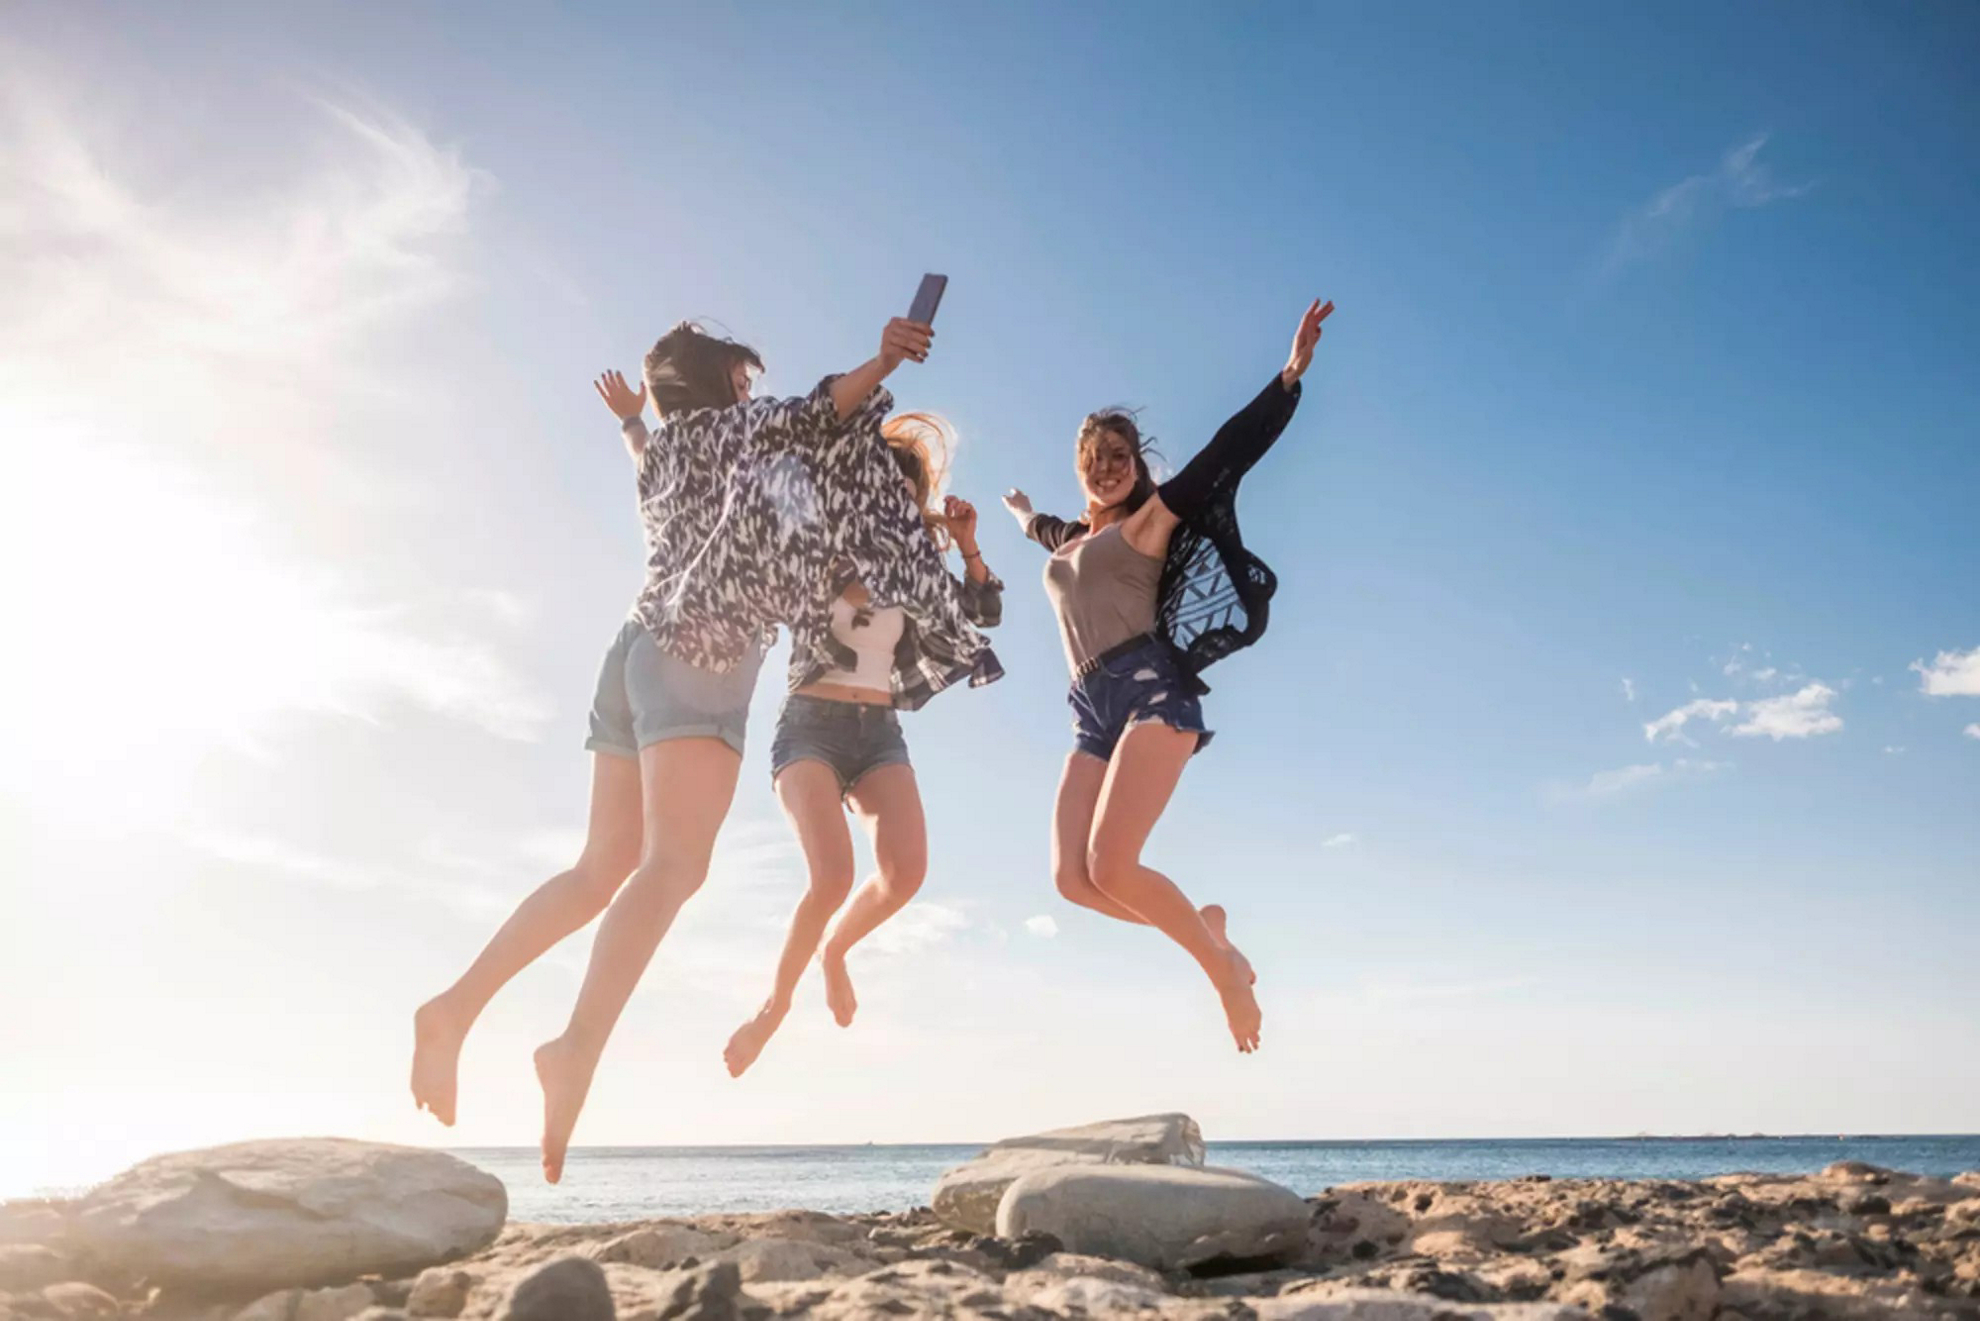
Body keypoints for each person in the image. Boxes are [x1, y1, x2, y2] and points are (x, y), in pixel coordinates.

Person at [412, 314, 995, 1181]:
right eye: (745, 382)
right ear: (728, 384)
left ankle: (454, 1007)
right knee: (674, 867)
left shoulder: (666, 456)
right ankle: (572, 1050)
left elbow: (644, 450)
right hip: (701, 655)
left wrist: (629, 419)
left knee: (598, 868)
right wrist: (882, 358)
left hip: (633, 652)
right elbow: (815, 411)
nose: (755, 396)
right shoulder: (741, 427)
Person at [1001, 298, 1335, 1054]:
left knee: (1114, 863)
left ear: (1136, 463)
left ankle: (1221, 974)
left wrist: (1287, 377)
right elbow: (1052, 534)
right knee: (1073, 881)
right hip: (1089, 707)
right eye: (1095, 458)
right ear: (1080, 468)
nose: (1109, 466)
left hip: (1151, 689)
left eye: (1121, 455)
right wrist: (1022, 517)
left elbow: (1227, 450)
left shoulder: (1150, 521)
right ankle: (1211, 938)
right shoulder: (1072, 537)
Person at [724, 413, 1002, 1077]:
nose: (897, 505)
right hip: (809, 725)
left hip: (878, 735)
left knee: (907, 872)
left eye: (907, 495)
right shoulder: (822, 548)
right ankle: (774, 1005)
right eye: (883, 490)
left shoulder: (921, 570)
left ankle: (836, 952)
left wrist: (967, 548)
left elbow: (983, 615)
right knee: (833, 875)